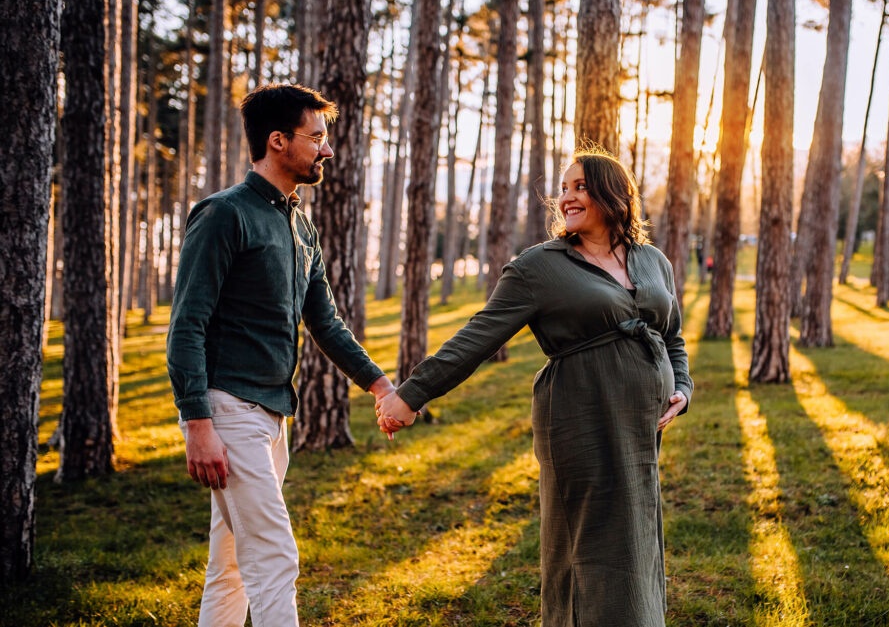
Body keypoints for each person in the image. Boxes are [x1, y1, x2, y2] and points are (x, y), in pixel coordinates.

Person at [376, 150, 694, 627]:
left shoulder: (652, 260)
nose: (567, 196)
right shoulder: (539, 267)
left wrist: (683, 388)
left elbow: (672, 337)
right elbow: (477, 337)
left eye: (580, 186)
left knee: (634, 530)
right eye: (564, 188)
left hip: (638, 425)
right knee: (583, 540)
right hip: (578, 416)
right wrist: (410, 394)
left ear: (614, 193)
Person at [166, 84, 395, 627]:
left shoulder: (300, 225)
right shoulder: (224, 214)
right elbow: (186, 325)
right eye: (315, 138)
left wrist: (380, 385)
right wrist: (197, 421)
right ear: (277, 141)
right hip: (228, 411)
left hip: (272, 418)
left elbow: (325, 323)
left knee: (230, 564)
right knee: (274, 557)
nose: (327, 150)